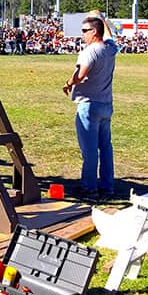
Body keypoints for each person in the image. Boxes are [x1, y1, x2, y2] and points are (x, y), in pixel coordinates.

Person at [62, 16, 117, 201]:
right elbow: (109, 35)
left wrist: (69, 82)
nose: (82, 34)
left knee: (90, 151)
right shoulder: (110, 49)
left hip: (89, 105)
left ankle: (89, 189)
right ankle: (107, 187)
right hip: (106, 105)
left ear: (94, 32)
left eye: (85, 31)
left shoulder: (89, 51)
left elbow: (81, 75)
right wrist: (100, 17)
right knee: (106, 148)